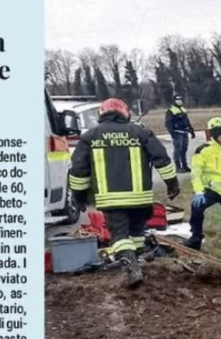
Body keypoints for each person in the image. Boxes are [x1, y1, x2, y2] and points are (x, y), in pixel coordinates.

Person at [68, 98, 180, 288]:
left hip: (112, 200)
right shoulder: (140, 132)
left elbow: (79, 171)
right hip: (141, 199)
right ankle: (137, 260)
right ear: (125, 113)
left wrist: (78, 196)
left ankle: (130, 267)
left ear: (101, 114)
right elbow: (162, 159)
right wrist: (172, 183)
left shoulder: (90, 137)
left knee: (119, 236)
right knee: (137, 232)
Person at [187, 117, 221, 258]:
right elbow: (196, 173)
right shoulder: (203, 150)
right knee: (197, 209)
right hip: (211, 189)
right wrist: (199, 191)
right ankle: (195, 240)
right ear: (214, 135)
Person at [164, 94, 196, 173]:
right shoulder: (171, 111)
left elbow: (187, 121)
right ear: (174, 101)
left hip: (185, 132)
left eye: (180, 100)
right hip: (177, 133)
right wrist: (172, 133)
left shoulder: (183, 110)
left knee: (184, 150)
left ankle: (184, 166)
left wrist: (191, 131)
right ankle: (178, 167)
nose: (179, 101)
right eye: (177, 100)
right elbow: (168, 123)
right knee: (178, 150)